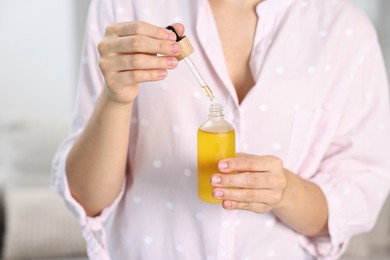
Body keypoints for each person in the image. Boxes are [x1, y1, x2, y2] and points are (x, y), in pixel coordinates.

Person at [52, 0, 390, 259]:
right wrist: (116, 98)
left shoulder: (345, 30)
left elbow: (351, 199)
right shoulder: (127, 8)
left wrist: (284, 191)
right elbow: (87, 199)